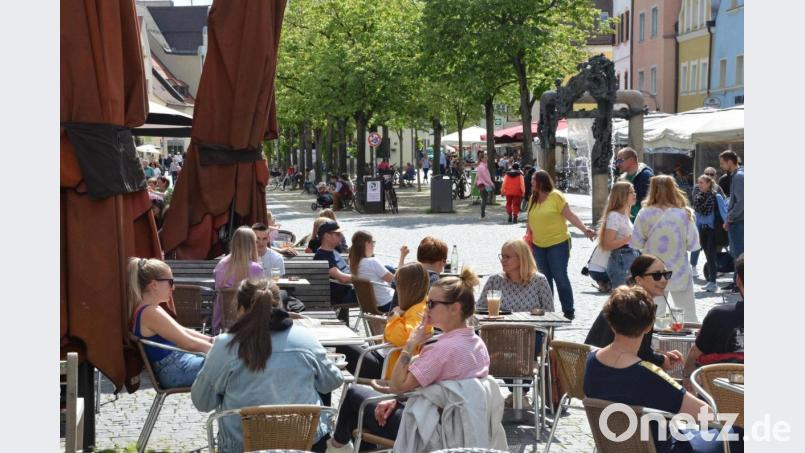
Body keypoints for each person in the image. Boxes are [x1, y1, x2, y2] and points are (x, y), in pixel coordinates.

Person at [326, 269, 491, 452]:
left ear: (455, 308)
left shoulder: (442, 350)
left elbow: (397, 386)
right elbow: (435, 389)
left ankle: (335, 447)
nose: (426, 308)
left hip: (428, 430)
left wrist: (411, 344)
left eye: (431, 303)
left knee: (354, 395)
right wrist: (399, 399)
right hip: (460, 426)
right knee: (366, 407)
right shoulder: (477, 344)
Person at [192, 278, 343, 452]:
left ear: (240, 309)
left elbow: (202, 401)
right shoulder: (305, 338)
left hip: (242, 446)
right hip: (305, 444)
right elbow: (332, 381)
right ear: (281, 305)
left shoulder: (226, 345)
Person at [583, 286, 737, 453]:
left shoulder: (590, 361)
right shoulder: (647, 375)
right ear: (649, 326)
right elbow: (708, 414)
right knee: (736, 433)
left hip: (613, 445)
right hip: (661, 447)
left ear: (610, 323)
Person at [585, 254, 683, 370]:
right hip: (611, 371)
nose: (663, 280)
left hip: (596, 364)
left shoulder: (625, 300)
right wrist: (661, 360)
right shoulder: (638, 307)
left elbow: (640, 350)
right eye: (656, 275)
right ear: (638, 280)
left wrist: (661, 357)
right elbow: (642, 354)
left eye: (666, 274)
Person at [336, 262, 432, 380]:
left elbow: (403, 338)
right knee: (339, 345)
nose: (396, 287)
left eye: (397, 283)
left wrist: (395, 317)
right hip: (384, 357)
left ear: (409, 286)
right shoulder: (416, 306)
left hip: (386, 366)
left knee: (340, 346)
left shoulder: (420, 311)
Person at [129, 257, 212, 388]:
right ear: (154, 284)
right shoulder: (149, 312)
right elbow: (188, 343)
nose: (173, 288)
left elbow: (183, 331)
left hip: (179, 364)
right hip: (176, 370)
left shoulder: (151, 308)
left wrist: (212, 340)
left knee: (236, 365)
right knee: (236, 367)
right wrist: (221, 351)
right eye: (170, 282)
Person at [525, 170, 596, 320]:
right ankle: (548, 309)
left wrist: (584, 229)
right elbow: (530, 220)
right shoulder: (533, 198)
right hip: (539, 244)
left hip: (558, 243)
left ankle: (568, 310)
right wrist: (527, 240)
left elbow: (570, 216)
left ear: (542, 182)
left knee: (560, 276)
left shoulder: (556, 196)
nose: (530, 182)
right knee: (544, 279)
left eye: (533, 180)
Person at [631, 175, 700, 322]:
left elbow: (636, 243)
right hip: (679, 269)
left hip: (652, 272)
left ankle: (651, 343)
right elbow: (693, 244)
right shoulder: (684, 214)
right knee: (688, 313)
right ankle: (688, 343)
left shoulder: (644, 213)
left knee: (654, 314)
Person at [682, 254, 744, 391]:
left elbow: (694, 355)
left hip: (722, 397)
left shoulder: (718, 315)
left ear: (738, 280)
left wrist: (686, 378)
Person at [477, 239, 554, 313]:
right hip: (499, 326)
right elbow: (479, 310)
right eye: (502, 256)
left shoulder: (539, 281)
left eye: (507, 257)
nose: (502, 260)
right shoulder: (494, 280)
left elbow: (551, 314)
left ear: (522, 258)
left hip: (533, 326)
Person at [213, 227, 264, 332]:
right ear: (251, 245)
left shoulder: (221, 266)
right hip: (249, 323)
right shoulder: (255, 268)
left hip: (222, 321)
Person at [348, 231, 409, 312]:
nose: (374, 245)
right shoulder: (372, 262)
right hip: (387, 304)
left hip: (372, 306)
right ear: (367, 243)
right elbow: (397, 281)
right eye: (373, 242)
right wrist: (402, 256)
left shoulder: (352, 262)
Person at [597, 181, 639, 288]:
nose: (634, 194)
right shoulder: (614, 216)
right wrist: (629, 238)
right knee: (623, 300)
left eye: (634, 191)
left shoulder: (624, 213)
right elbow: (607, 244)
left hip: (627, 259)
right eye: (631, 192)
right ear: (622, 195)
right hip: (620, 262)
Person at [693, 174, 729, 292]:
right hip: (702, 230)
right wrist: (696, 232)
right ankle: (711, 281)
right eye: (699, 182)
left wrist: (727, 226)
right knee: (708, 256)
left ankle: (713, 282)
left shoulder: (716, 196)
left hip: (713, 230)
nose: (699, 185)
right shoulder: (698, 197)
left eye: (702, 182)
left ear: (709, 183)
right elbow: (697, 217)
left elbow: (724, 213)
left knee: (711, 255)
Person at [313, 221, 356, 309]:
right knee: (379, 293)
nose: (341, 236)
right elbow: (343, 278)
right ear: (327, 236)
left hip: (349, 290)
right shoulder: (322, 256)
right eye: (338, 234)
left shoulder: (333, 251)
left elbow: (347, 270)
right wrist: (366, 278)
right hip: (341, 296)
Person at [689, 167, 723, 277]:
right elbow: (696, 204)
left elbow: (722, 206)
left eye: (711, 174)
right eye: (707, 173)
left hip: (712, 226)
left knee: (711, 251)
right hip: (699, 223)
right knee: (697, 245)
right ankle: (694, 266)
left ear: (714, 177)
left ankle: (713, 274)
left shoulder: (717, 191)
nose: (709, 175)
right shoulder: (697, 190)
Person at [719, 150, 743, 290]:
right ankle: (737, 281)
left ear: (729, 162)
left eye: (722, 163)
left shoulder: (739, 176)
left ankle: (739, 283)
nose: (721, 166)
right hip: (738, 221)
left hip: (738, 222)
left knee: (739, 254)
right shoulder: (738, 174)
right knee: (736, 253)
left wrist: (730, 217)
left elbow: (742, 202)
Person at [615, 147, 655, 221]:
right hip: (625, 224)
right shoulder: (622, 178)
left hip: (642, 223)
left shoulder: (646, 176)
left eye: (620, 161)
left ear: (630, 160)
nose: (617, 164)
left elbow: (652, 202)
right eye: (616, 161)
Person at [475, 153, 495, 219]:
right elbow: (486, 177)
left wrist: (475, 183)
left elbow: (477, 176)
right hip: (485, 185)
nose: (487, 159)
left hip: (481, 185)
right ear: (482, 159)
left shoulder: (480, 166)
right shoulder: (483, 167)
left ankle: (483, 212)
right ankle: (482, 213)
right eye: (485, 158)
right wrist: (492, 184)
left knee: (484, 198)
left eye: (487, 157)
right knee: (484, 199)